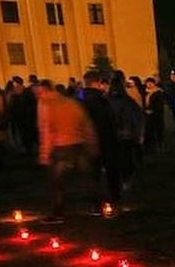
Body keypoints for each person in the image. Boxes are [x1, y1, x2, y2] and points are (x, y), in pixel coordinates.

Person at [36, 80, 97, 221]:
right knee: (88, 178)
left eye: (39, 93)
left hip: (61, 147)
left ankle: (58, 213)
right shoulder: (72, 103)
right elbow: (87, 124)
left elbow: (47, 130)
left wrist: (44, 154)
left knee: (57, 182)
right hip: (79, 144)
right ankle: (97, 206)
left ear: (45, 91)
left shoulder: (47, 106)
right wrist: (92, 143)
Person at [80, 69, 120, 213]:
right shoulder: (101, 100)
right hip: (105, 140)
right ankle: (114, 199)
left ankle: (95, 204)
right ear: (97, 83)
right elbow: (109, 120)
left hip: (88, 142)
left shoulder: (79, 100)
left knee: (92, 174)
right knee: (111, 172)